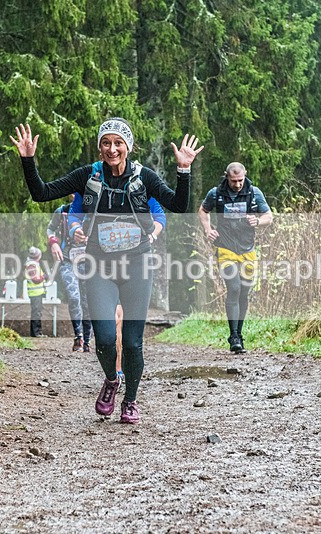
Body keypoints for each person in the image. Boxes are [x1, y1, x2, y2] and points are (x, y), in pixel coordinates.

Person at [11, 118, 203, 424]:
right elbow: (42, 193)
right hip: (99, 266)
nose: (111, 149)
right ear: (99, 146)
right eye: (105, 142)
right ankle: (112, 380)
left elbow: (178, 205)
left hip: (137, 266)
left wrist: (184, 170)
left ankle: (130, 400)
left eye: (118, 143)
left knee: (132, 341)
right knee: (102, 338)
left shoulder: (144, 177)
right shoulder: (89, 175)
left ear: (128, 146)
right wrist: (28, 160)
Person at [67, 192, 167, 378]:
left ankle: (118, 370)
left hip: (133, 265)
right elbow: (74, 214)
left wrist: (152, 235)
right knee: (109, 324)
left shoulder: (138, 185)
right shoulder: (94, 184)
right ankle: (112, 372)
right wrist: (75, 229)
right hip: (100, 265)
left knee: (120, 319)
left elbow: (159, 215)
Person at [198, 162, 273, 354]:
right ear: (227, 177)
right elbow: (203, 210)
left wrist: (257, 221)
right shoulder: (216, 193)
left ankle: (239, 334)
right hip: (225, 249)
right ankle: (233, 337)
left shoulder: (254, 192)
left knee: (244, 292)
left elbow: (269, 216)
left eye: (240, 180)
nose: (238, 184)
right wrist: (208, 230)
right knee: (234, 287)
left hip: (248, 249)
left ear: (245, 175)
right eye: (234, 181)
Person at [46, 196, 92, 352]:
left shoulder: (93, 211)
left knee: (88, 301)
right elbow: (50, 228)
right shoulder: (62, 211)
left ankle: (88, 340)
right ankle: (78, 337)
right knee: (74, 298)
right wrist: (53, 244)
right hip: (67, 260)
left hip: (89, 262)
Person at [24, 246, 47, 337]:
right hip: (35, 293)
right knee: (36, 313)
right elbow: (35, 280)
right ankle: (36, 333)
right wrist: (44, 276)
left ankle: (37, 332)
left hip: (37, 293)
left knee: (37, 312)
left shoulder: (33, 264)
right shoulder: (31, 265)